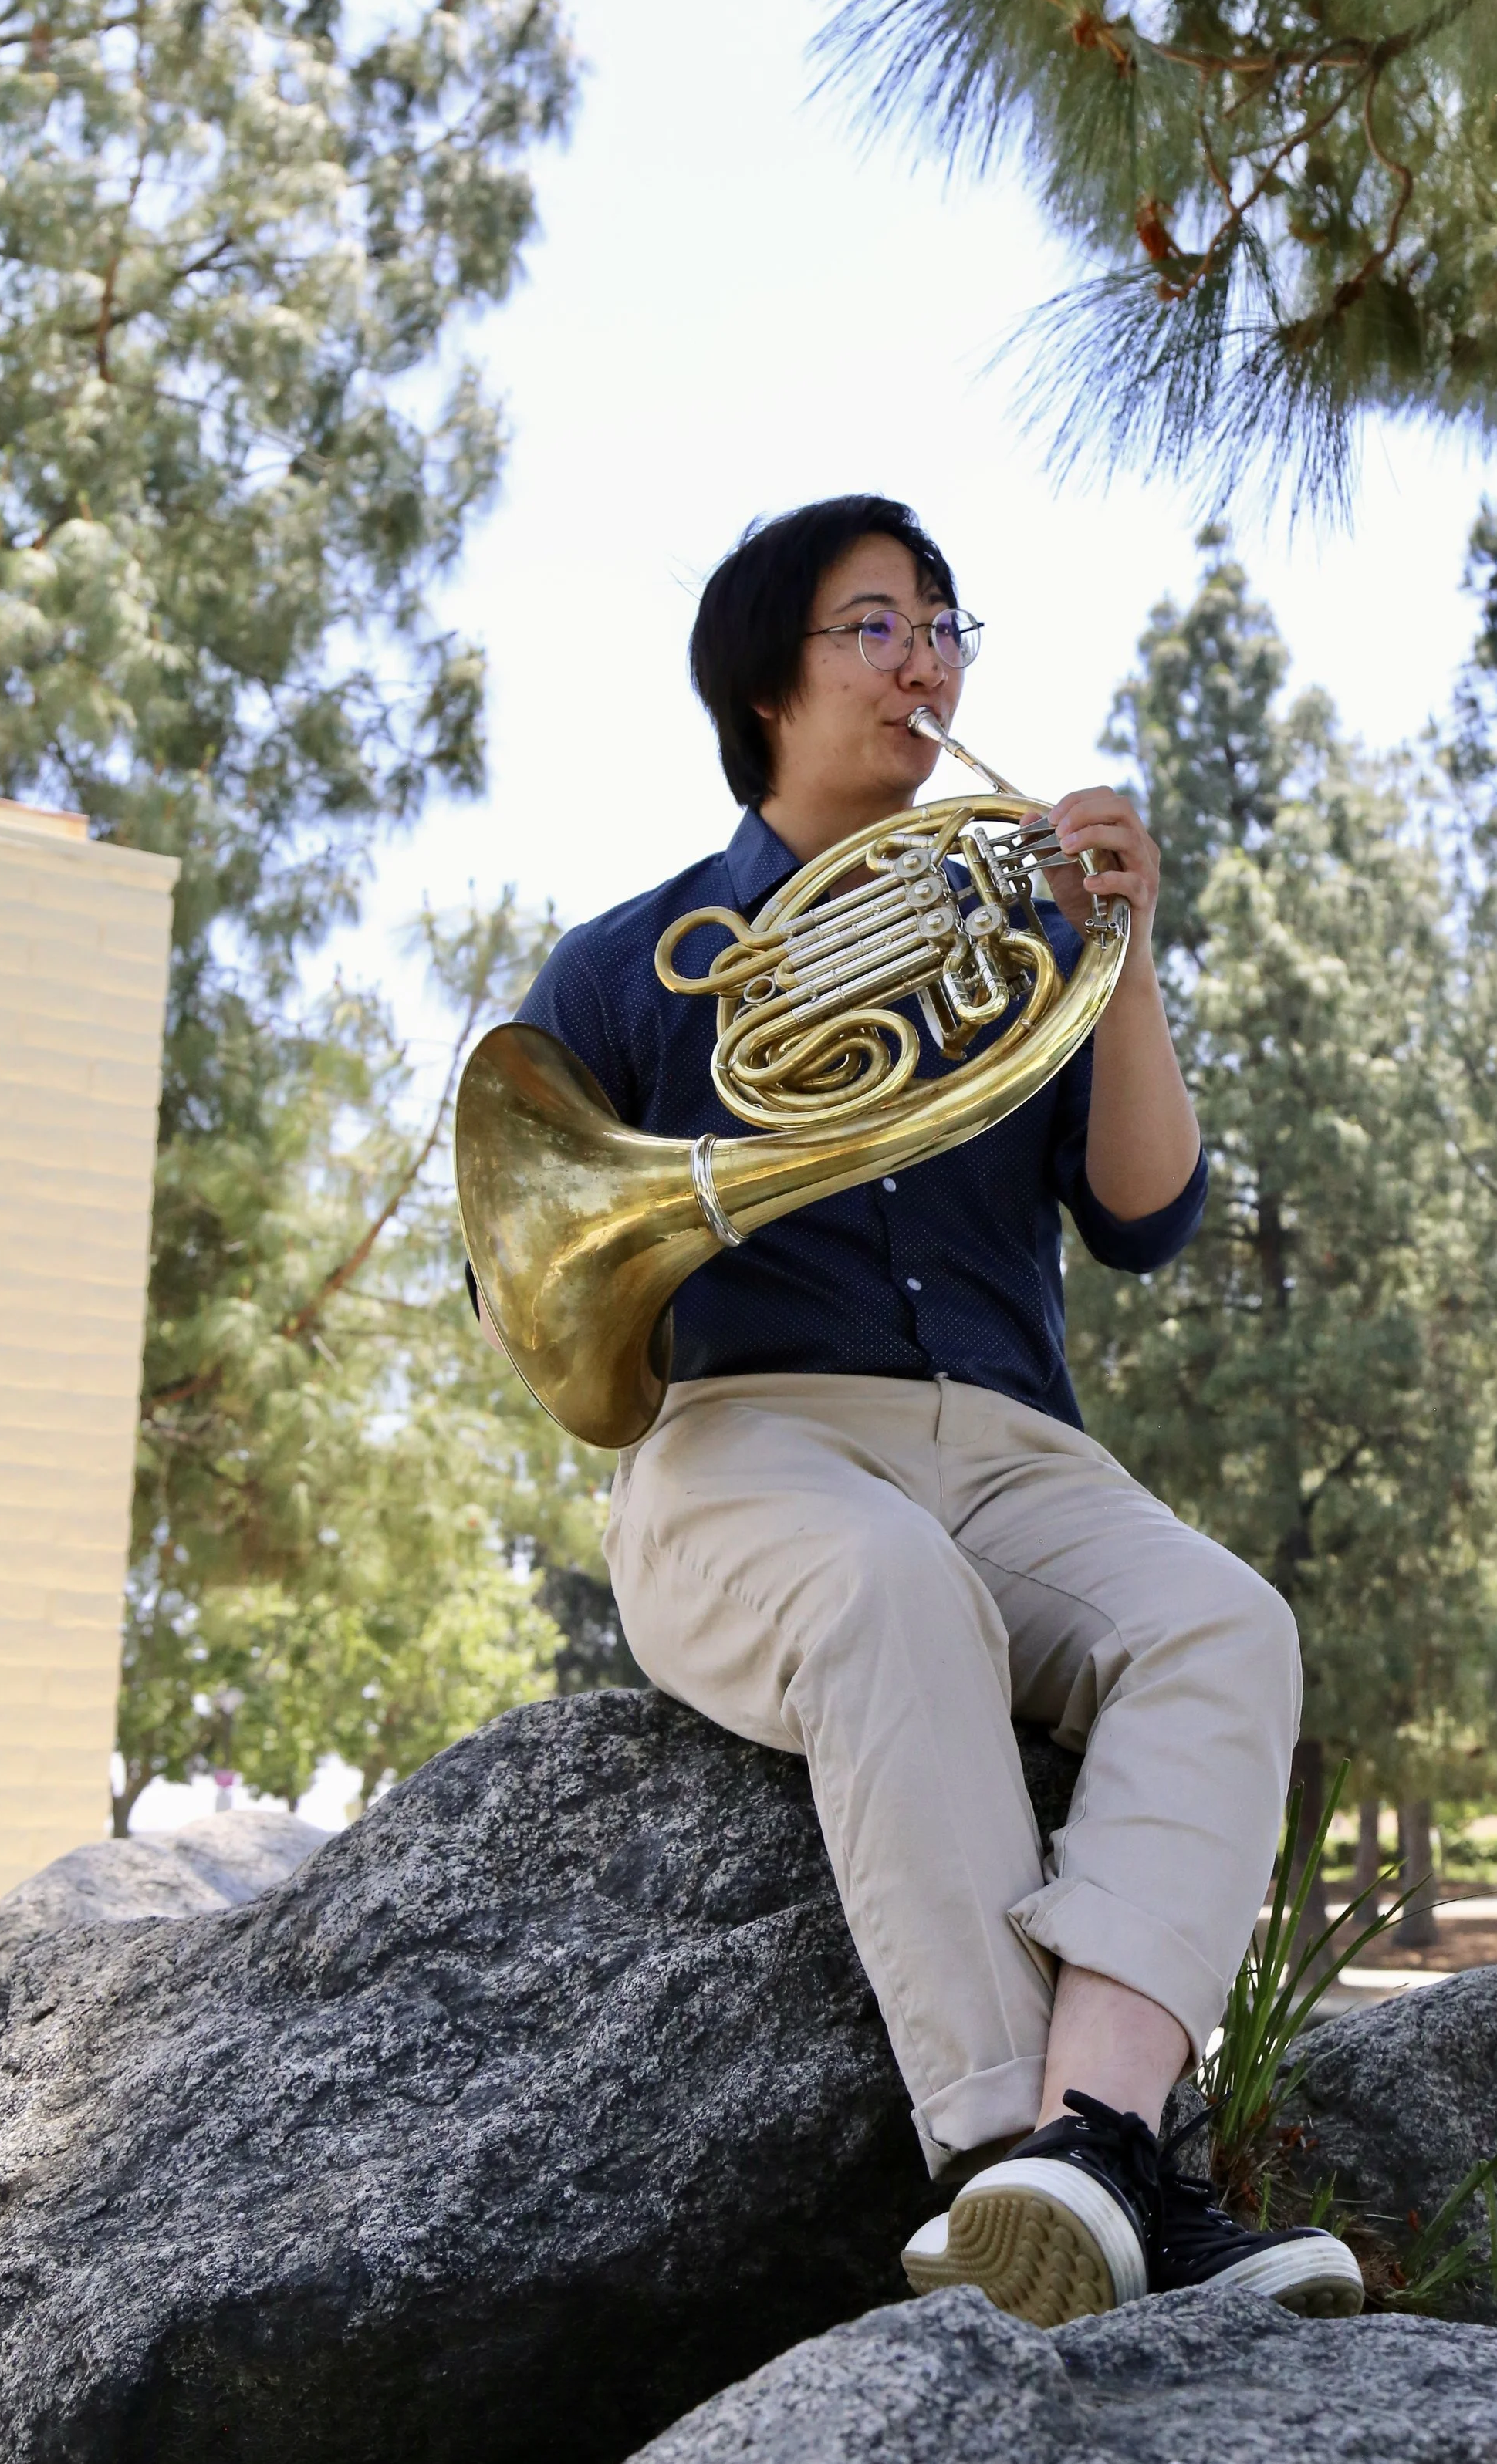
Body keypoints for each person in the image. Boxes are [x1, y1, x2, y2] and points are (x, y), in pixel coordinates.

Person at [512, 494, 1360, 2327]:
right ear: (763, 686)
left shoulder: (1023, 942)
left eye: (945, 626)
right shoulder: (635, 965)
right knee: (890, 1588)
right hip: (750, 1443)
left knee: (1225, 1621)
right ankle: (1001, 2163)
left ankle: (1099, 2146)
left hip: (1011, 1443)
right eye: (875, 626)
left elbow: (1144, 1218)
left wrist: (1119, 948)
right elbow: (536, 1281)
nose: (928, 663)